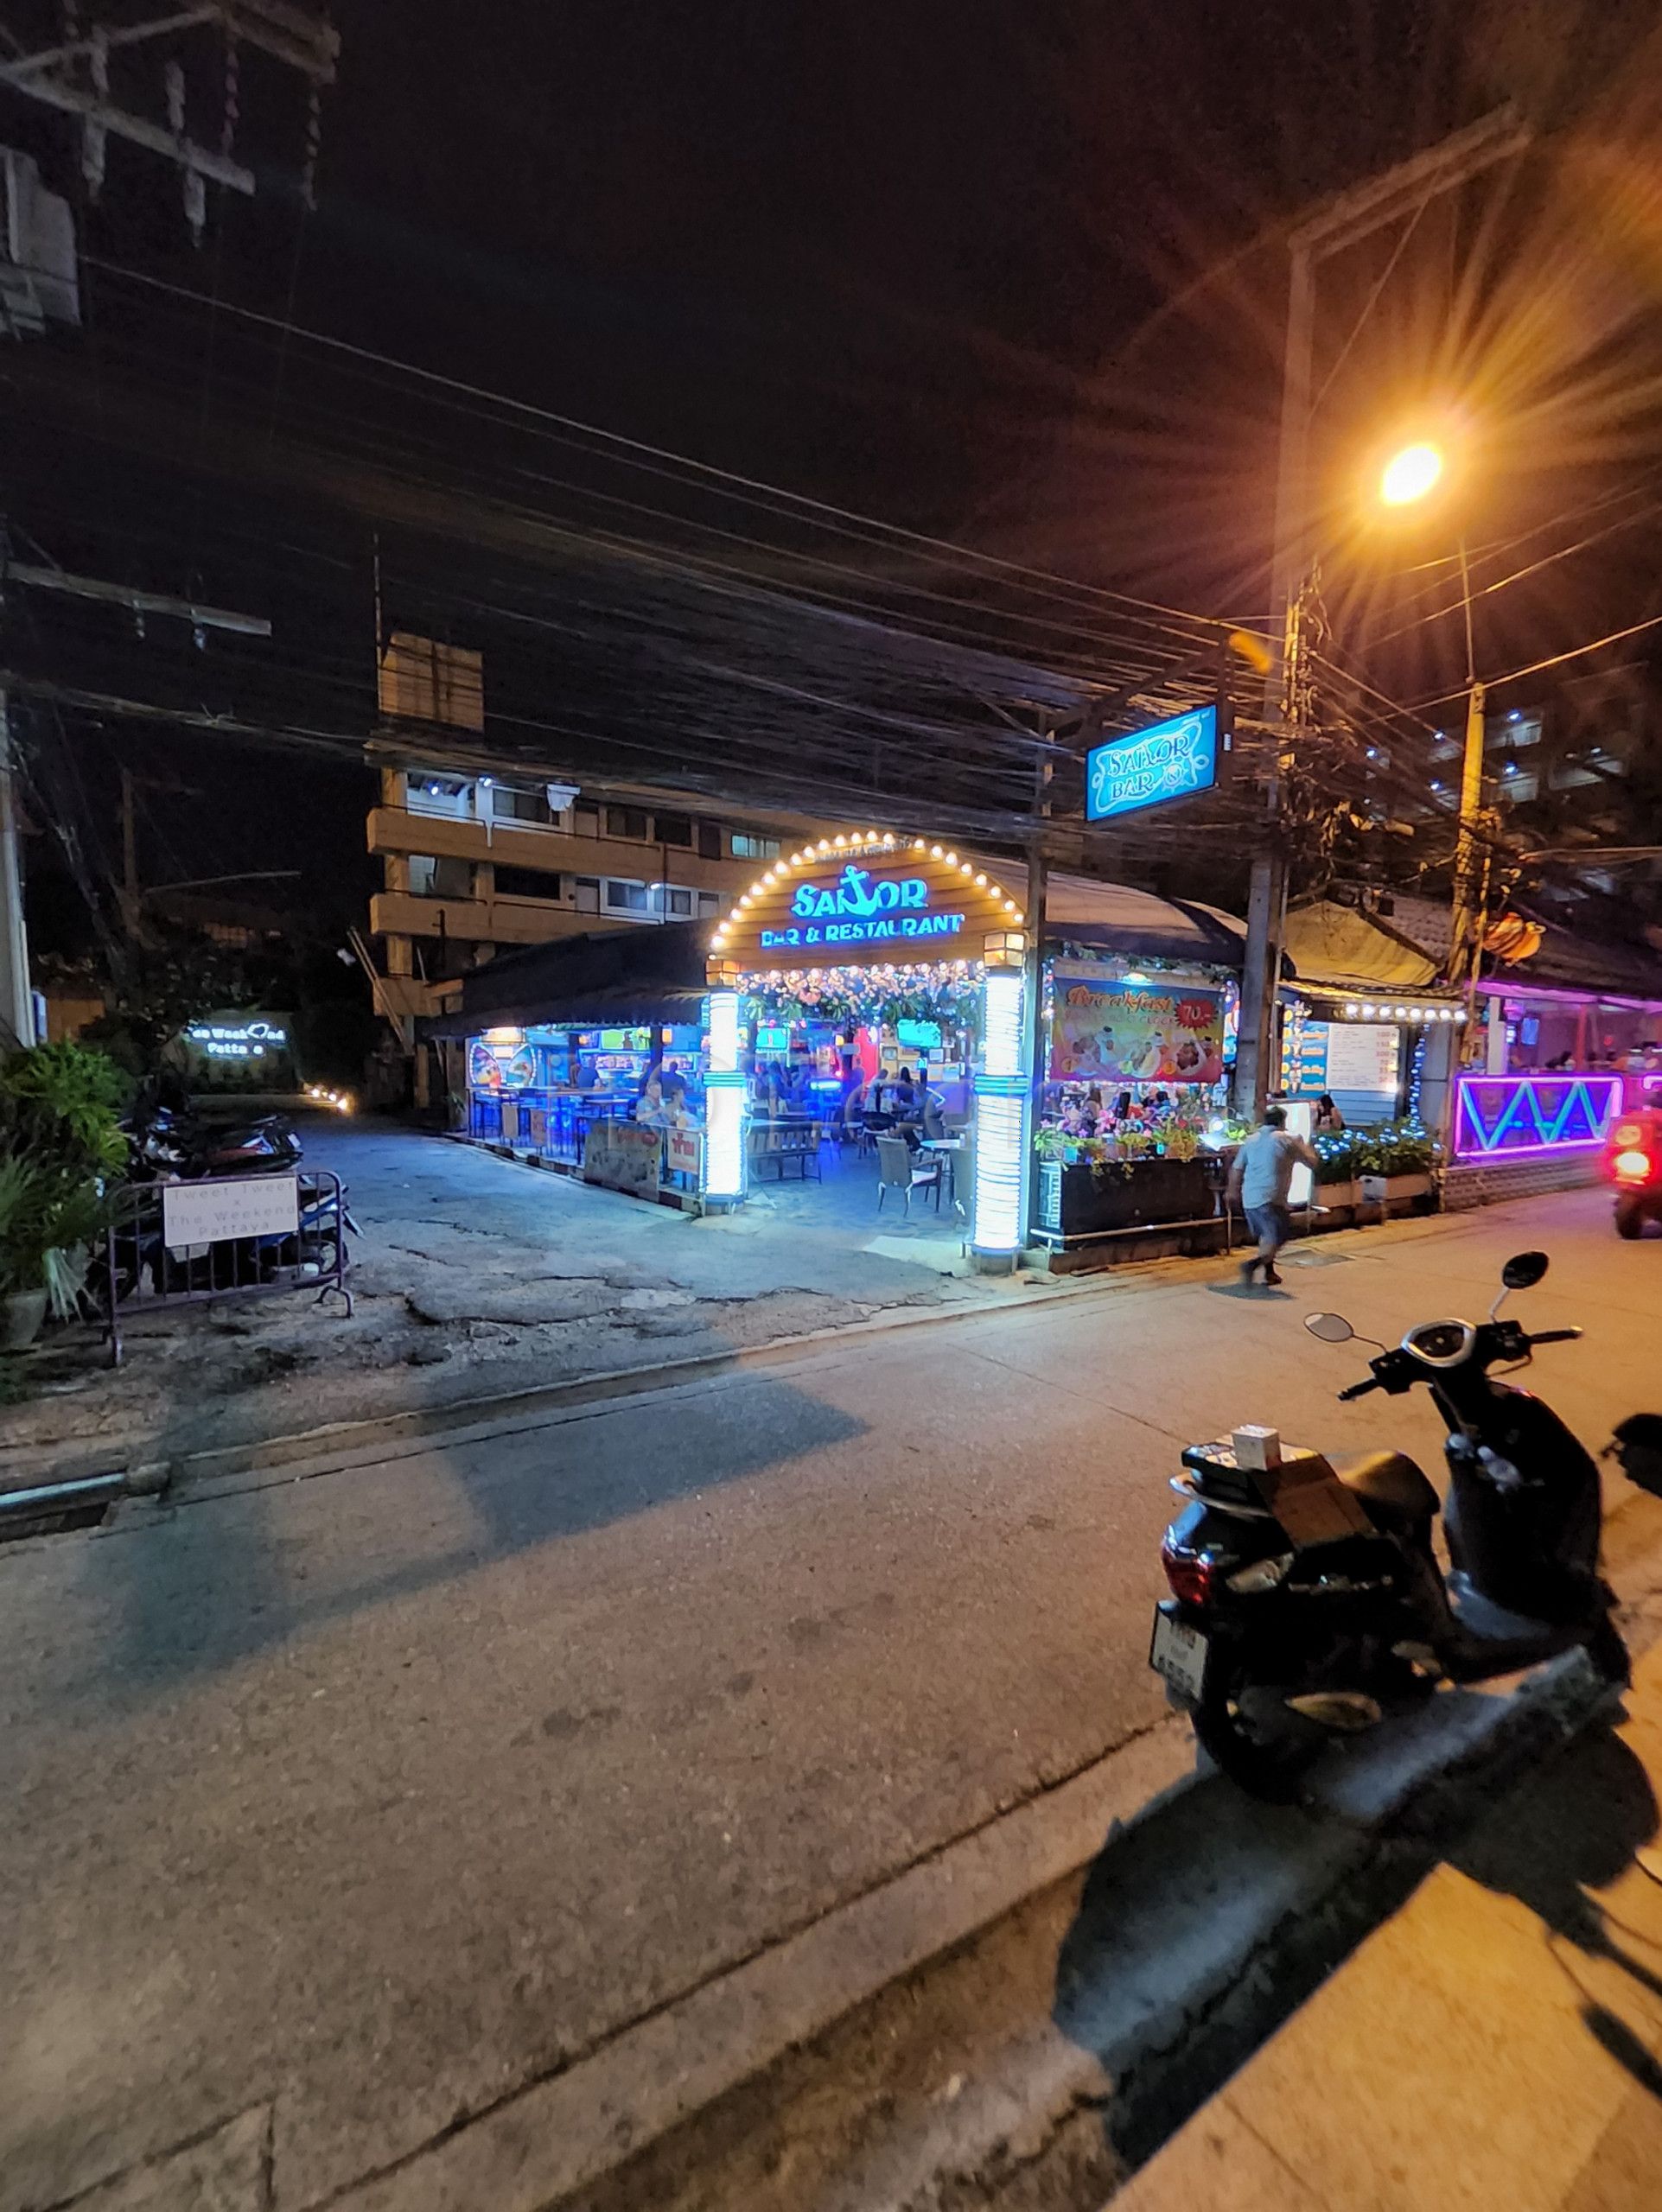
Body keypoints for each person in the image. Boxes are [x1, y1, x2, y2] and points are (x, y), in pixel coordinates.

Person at [1227, 1104, 1318, 1289]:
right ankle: (1252, 1265)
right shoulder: (1286, 1140)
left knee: (1268, 1236)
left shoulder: (1251, 1140)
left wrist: (1232, 1191)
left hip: (1250, 1198)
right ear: (1282, 1122)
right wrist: (1304, 1144)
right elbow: (1312, 1162)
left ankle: (1269, 1273)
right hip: (1271, 1197)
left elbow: (1236, 1169)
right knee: (1280, 1235)